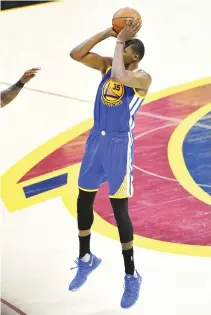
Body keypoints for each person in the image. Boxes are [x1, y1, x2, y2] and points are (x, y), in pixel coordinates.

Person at [69, 19, 151, 309]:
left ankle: (131, 275)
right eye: (121, 46)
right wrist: (107, 32)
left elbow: (119, 73)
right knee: (83, 200)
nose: (119, 49)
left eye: (125, 48)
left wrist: (118, 42)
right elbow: (75, 54)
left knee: (120, 211)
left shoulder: (142, 78)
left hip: (119, 145)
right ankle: (86, 259)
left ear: (134, 56)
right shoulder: (108, 64)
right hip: (96, 141)